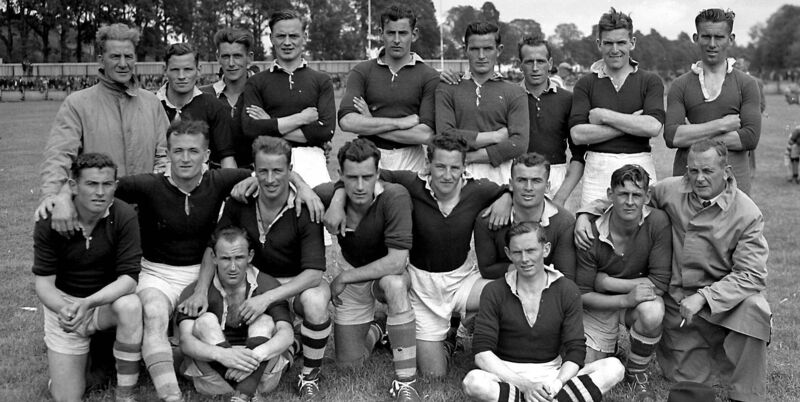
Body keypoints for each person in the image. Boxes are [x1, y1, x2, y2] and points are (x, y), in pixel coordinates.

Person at [575, 139, 771, 401]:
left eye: (708, 171)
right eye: (693, 170)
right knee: (685, 378)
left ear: (726, 171)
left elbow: (752, 274)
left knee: (756, 308)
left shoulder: (747, 213)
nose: (699, 178)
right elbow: (628, 196)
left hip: (723, 304)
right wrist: (585, 214)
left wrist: (705, 296)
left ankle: (746, 394)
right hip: (677, 306)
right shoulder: (669, 190)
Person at [324, 133, 512, 377]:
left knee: (510, 292)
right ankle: (436, 338)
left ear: (464, 168)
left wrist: (506, 196)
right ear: (427, 164)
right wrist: (338, 199)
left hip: (462, 280)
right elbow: (368, 176)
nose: (447, 174)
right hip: (422, 288)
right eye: (440, 166)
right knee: (434, 375)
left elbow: (511, 188)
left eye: (455, 168)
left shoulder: (478, 189)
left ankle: (495, 343)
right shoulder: (410, 184)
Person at [180, 136, 331, 400]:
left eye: (278, 171)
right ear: (254, 170)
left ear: (290, 171)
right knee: (245, 323)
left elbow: (314, 274)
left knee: (317, 300)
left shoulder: (305, 207)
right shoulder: (240, 200)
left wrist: (267, 298)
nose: (270, 179)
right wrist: (202, 290)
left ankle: (309, 375)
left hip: (291, 284)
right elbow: (214, 247)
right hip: (254, 280)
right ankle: (277, 351)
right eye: (263, 171)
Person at [462, 222, 624, 402]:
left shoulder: (567, 290)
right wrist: (525, 385)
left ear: (545, 249)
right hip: (507, 374)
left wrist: (556, 385)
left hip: (551, 374)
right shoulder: (494, 290)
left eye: (531, 250)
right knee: (473, 382)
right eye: (517, 252)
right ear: (508, 254)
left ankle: (544, 398)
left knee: (614, 368)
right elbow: (482, 352)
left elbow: (575, 351)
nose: (524, 259)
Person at [33, 153, 144, 402]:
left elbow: (129, 279)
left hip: (102, 303)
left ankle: (126, 393)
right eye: (91, 184)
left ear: (115, 185)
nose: (100, 192)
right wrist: (68, 309)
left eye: (107, 184)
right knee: (68, 396)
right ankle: (77, 366)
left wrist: (89, 303)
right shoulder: (50, 218)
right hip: (66, 308)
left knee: (131, 305)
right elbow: (43, 284)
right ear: (73, 186)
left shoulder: (124, 214)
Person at [315, 138, 420, 401]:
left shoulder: (395, 196)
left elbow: (396, 262)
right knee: (349, 366)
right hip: (352, 270)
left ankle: (406, 382)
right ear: (340, 176)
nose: (360, 186)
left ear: (378, 173)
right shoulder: (328, 194)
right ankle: (378, 329)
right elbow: (291, 189)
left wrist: (343, 277)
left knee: (394, 284)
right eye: (351, 178)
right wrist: (335, 198)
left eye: (367, 177)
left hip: (385, 274)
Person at [40, 22, 168, 211]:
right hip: (97, 215)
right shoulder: (77, 104)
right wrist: (53, 196)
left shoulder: (152, 103)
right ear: (101, 59)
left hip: (147, 214)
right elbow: (59, 157)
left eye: (128, 56)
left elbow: (165, 156)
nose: (123, 64)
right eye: (115, 56)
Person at [574, 165, 671, 398]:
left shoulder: (657, 222)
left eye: (636, 195)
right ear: (610, 195)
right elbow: (583, 293)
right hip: (598, 306)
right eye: (622, 194)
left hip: (630, 302)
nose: (630, 202)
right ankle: (609, 349)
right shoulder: (590, 231)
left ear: (647, 197)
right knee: (584, 366)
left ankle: (637, 372)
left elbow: (658, 283)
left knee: (653, 310)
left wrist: (606, 282)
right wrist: (623, 297)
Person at [176, 226, 294, 402]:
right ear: (214, 258)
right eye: (225, 259)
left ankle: (245, 390)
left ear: (250, 256)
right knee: (205, 321)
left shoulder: (268, 285)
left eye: (239, 258)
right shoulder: (195, 293)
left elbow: (287, 334)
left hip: (260, 371)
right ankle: (247, 392)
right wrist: (223, 355)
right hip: (213, 372)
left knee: (265, 320)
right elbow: (186, 342)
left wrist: (252, 359)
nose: (233, 267)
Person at [569, 8, 665, 207]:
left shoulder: (650, 81)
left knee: (641, 230)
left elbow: (652, 127)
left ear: (632, 42)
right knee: (594, 231)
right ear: (599, 44)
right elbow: (578, 134)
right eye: (608, 43)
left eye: (621, 42)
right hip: (597, 167)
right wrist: (631, 122)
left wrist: (604, 115)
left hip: (640, 164)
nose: (615, 50)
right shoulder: (586, 83)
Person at [664, 9, 761, 195]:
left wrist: (691, 135)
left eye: (719, 37)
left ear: (731, 39)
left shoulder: (747, 84)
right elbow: (672, 137)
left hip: (733, 185)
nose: (712, 44)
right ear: (695, 37)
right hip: (689, 185)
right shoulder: (680, 85)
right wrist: (722, 124)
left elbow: (749, 138)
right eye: (706, 37)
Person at [338, 4, 440, 173]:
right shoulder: (362, 71)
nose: (397, 40)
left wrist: (370, 122)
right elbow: (347, 121)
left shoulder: (429, 76)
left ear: (414, 35)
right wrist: (400, 123)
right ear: (381, 34)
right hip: (369, 158)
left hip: (412, 161)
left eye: (403, 33)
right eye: (391, 33)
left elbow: (424, 135)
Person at [240, 9, 336, 188]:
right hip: (268, 159)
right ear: (271, 38)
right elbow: (250, 128)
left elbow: (324, 131)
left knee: (319, 210)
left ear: (304, 37)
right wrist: (300, 119)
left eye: (293, 36)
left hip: (312, 161)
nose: (287, 42)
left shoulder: (321, 80)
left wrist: (269, 123)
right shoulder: (256, 82)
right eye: (280, 36)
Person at [436, 22, 529, 184]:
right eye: (474, 49)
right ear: (465, 49)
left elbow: (519, 144)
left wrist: (470, 156)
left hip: (499, 175)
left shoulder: (515, 92)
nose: (481, 56)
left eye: (487, 49)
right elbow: (445, 135)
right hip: (456, 175)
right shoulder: (448, 88)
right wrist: (495, 136)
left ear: (498, 50)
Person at [474, 153, 577, 281]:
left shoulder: (564, 222)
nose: (528, 188)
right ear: (511, 184)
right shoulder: (487, 220)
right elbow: (487, 270)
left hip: (547, 289)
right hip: (503, 285)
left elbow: (566, 276)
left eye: (536, 181)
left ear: (547, 187)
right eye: (521, 180)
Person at [517, 37, 584, 206]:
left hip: (556, 181)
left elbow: (579, 155)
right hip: (519, 179)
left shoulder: (567, 99)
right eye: (528, 62)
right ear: (520, 65)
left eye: (540, 61)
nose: (535, 68)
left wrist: (561, 197)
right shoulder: (510, 97)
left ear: (550, 63)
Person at [157, 43, 236, 169]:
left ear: (198, 70)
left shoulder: (213, 106)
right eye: (175, 70)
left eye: (188, 69)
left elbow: (226, 158)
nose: (182, 76)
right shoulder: (151, 106)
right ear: (164, 70)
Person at [201, 28, 257, 167]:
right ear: (217, 57)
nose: (231, 63)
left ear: (249, 57)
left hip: (257, 177)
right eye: (226, 56)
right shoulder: (203, 96)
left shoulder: (262, 94)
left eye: (237, 56)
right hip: (214, 177)